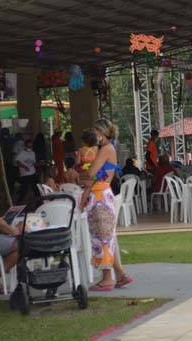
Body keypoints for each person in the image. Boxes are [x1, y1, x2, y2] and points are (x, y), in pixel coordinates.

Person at [81, 118, 133, 291]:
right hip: (102, 193)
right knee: (106, 237)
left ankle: (107, 278)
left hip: (100, 196)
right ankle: (120, 274)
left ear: (101, 133)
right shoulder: (107, 148)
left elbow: (91, 173)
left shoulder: (105, 149)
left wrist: (83, 176)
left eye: (95, 131)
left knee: (102, 238)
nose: (93, 135)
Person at [14, 139, 38, 205]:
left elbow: (34, 163)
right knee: (25, 188)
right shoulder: (22, 153)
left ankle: (39, 202)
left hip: (32, 173)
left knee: (35, 188)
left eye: (31, 146)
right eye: (28, 146)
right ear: (25, 146)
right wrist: (24, 167)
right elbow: (17, 162)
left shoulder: (33, 153)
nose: (30, 147)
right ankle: (18, 201)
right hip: (25, 174)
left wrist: (36, 166)